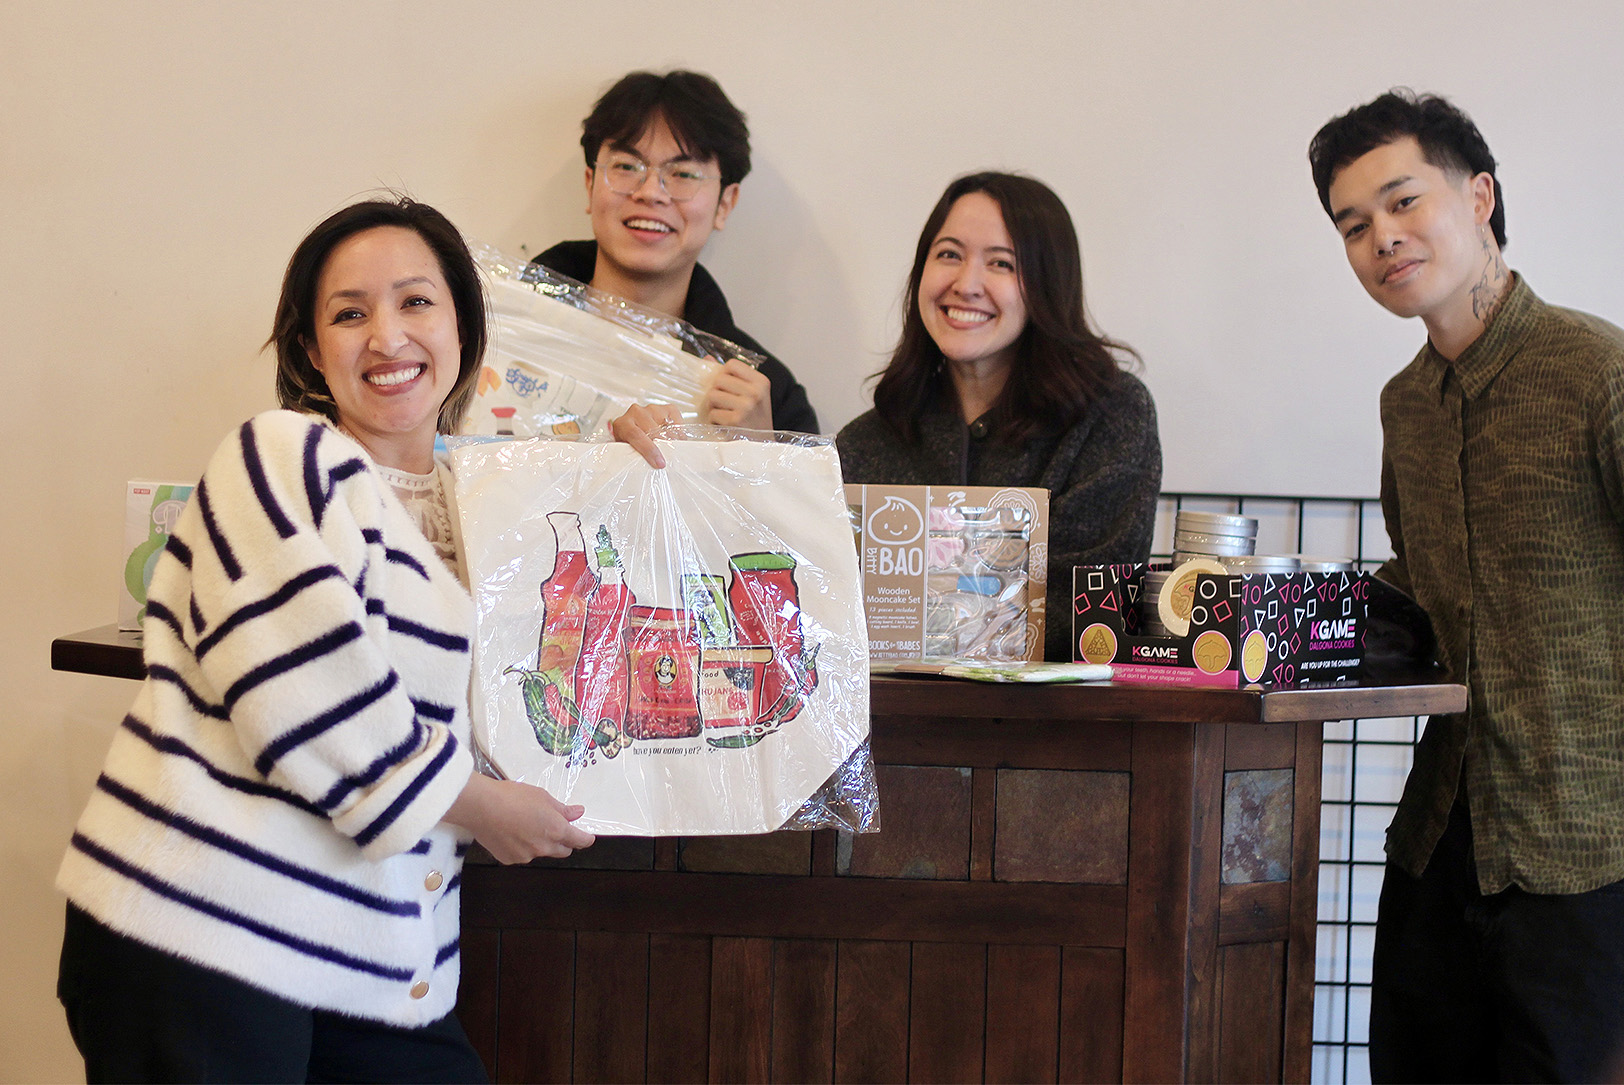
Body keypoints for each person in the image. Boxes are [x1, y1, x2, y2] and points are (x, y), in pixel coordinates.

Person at [55, 197, 595, 1083]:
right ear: (311, 349)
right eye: (350, 313)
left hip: (371, 949)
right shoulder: (281, 457)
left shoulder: (494, 506)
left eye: (416, 301)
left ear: (464, 327)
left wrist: (635, 466)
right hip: (205, 920)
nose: (387, 336)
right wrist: (482, 807)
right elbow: (304, 690)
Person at [1310, 90, 1624, 1082]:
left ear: (1479, 196)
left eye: (1403, 201)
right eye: (1352, 225)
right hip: (1439, 842)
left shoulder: (1597, 370)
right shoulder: (1405, 404)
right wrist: (1274, 616)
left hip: (1590, 850)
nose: (1381, 238)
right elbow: (1418, 586)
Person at [833, 171, 1161, 662]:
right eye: (949, 255)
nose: (966, 285)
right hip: (893, 711)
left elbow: (1083, 607)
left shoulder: (1112, 418)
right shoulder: (865, 442)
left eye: (1001, 264)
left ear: (1048, 286)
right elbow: (830, 608)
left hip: (1052, 712)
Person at [533, 69, 819, 434]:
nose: (650, 192)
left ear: (725, 204)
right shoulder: (492, 330)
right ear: (590, 185)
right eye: (626, 167)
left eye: (683, 174)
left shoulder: (765, 396)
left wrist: (758, 448)